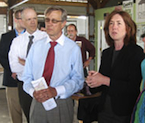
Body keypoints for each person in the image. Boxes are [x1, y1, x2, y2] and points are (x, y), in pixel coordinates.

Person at [22, 6, 84, 123]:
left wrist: (56, 90)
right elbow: (26, 77)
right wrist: (33, 92)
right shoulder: (36, 47)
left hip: (61, 103)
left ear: (63, 23)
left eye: (54, 21)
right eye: (47, 20)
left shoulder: (73, 49)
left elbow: (78, 80)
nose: (49, 24)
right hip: (37, 102)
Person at [86, 10, 145, 123]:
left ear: (128, 28)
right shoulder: (107, 53)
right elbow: (101, 85)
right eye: (111, 24)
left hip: (125, 113)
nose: (114, 27)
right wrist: (93, 80)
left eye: (119, 23)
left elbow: (133, 88)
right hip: (104, 111)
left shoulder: (136, 52)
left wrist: (105, 80)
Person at [8, 7, 47, 123]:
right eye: (29, 19)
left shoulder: (46, 38)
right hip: (24, 84)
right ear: (23, 21)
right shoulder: (17, 42)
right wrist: (35, 64)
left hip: (42, 83)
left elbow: (47, 64)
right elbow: (14, 66)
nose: (33, 22)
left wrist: (25, 62)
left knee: (43, 116)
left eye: (35, 18)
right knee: (29, 115)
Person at [0, 9, 25, 123]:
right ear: (16, 20)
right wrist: (13, 71)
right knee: (15, 111)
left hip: (30, 80)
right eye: (22, 18)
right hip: (12, 79)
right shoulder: (6, 37)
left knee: (32, 111)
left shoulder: (33, 36)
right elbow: (2, 57)